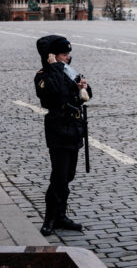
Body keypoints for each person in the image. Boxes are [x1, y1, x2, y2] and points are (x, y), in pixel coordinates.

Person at [34, 35, 91, 235]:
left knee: (68, 175)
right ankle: (50, 218)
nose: (68, 58)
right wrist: (55, 67)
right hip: (58, 128)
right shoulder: (43, 75)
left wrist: (83, 87)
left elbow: (86, 95)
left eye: (68, 54)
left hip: (74, 128)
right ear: (52, 56)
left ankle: (61, 216)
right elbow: (53, 90)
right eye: (63, 55)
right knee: (58, 176)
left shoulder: (69, 72)